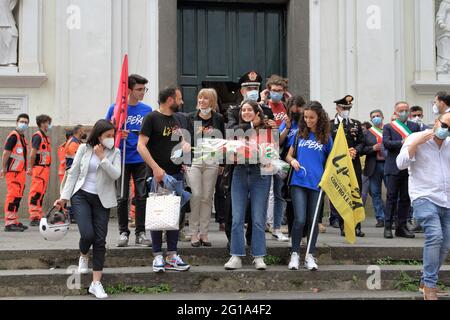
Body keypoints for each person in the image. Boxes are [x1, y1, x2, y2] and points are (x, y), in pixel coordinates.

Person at [55, 119, 121, 299]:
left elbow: (116, 174)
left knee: (100, 241)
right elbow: (73, 173)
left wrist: (102, 158)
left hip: (103, 199)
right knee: (87, 234)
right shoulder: (83, 149)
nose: (111, 138)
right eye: (108, 135)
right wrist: (64, 197)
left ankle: (96, 283)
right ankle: (83, 255)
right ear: (98, 135)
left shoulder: (115, 152)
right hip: (81, 196)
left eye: (113, 135)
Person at [396, 112, 450, 300]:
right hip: (423, 197)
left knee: (445, 244)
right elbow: (401, 164)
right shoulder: (416, 137)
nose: (446, 130)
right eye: (444, 125)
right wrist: (415, 142)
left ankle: (424, 281)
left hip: (447, 200)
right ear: (436, 122)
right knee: (435, 236)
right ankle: (429, 286)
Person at [137, 87, 191, 273]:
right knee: (158, 215)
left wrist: (184, 151)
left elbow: (177, 142)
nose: (181, 102)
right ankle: (158, 256)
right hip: (159, 176)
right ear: (170, 100)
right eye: (179, 98)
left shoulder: (177, 119)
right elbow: (141, 146)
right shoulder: (152, 118)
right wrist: (155, 168)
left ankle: (172, 255)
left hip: (176, 174)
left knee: (174, 216)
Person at [224, 100, 273, 271]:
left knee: (258, 218)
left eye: (249, 110)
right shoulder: (235, 130)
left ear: (257, 112)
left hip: (260, 173)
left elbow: (272, 153)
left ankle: (258, 256)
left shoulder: (267, 130)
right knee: (237, 218)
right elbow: (228, 149)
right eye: (243, 110)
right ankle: (236, 255)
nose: (245, 112)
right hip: (239, 172)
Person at [106, 74, 153, 248]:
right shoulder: (116, 108)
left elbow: (151, 134)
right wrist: (117, 133)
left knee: (141, 196)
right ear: (129, 90)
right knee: (122, 197)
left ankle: (140, 232)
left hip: (140, 158)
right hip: (122, 158)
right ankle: (123, 232)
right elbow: (104, 131)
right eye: (139, 89)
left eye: (144, 89)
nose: (142, 92)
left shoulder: (146, 110)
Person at [285, 101, 333, 271]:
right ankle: (295, 253)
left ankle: (310, 254)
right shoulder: (299, 134)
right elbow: (288, 156)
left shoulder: (326, 137)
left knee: (313, 221)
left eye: (311, 117)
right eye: (305, 117)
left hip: (317, 184)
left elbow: (332, 161)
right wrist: (293, 161)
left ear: (320, 117)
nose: (308, 120)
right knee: (300, 219)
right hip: (298, 181)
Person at [186, 88, 225, 247]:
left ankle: (204, 233)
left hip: (212, 161)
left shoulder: (218, 118)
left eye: (206, 98)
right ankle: (193, 232)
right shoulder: (190, 118)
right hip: (194, 160)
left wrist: (222, 162)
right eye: (200, 98)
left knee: (207, 196)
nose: (202, 101)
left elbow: (223, 140)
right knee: (196, 194)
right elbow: (185, 140)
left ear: (212, 101)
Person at [383, 101, 421, 239]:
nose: (404, 112)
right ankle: (388, 227)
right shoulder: (389, 127)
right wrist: (402, 142)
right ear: (395, 112)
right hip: (393, 167)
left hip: (410, 167)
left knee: (405, 198)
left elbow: (419, 143)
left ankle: (401, 227)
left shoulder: (415, 126)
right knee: (391, 198)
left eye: (406, 110)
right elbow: (386, 143)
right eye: (401, 110)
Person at [329, 95, 365, 237]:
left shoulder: (355, 124)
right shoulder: (331, 125)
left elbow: (362, 142)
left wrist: (356, 150)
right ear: (337, 108)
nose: (346, 110)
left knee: (355, 192)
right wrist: (343, 152)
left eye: (348, 108)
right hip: (338, 165)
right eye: (344, 108)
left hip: (354, 164)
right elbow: (328, 144)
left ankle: (357, 226)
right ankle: (343, 225)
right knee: (341, 193)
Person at [260, 75, 289, 240]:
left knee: (278, 192)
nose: (276, 93)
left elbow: (283, 137)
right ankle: (263, 223)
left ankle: (277, 227)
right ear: (268, 91)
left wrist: (286, 127)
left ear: (284, 92)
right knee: (265, 191)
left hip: (281, 153)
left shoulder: (285, 108)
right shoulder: (263, 107)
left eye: (279, 91)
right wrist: (262, 100)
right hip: (265, 153)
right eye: (273, 90)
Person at [280, 96, 306, 235]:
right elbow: (279, 141)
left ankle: (304, 232)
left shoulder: (307, 121)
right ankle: (292, 231)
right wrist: (287, 127)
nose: (296, 112)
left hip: (305, 159)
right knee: (289, 196)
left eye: (299, 110)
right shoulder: (287, 121)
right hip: (288, 160)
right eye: (293, 110)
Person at [1, 114, 30, 232]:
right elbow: (6, 153)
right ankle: (9, 223)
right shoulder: (14, 136)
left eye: (26, 122)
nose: (24, 124)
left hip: (20, 172)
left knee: (17, 197)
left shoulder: (22, 138)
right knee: (12, 197)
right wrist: (3, 168)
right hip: (13, 172)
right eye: (22, 121)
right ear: (17, 122)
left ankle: (14, 220)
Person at [362, 110, 387, 228]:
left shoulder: (389, 130)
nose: (376, 118)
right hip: (373, 165)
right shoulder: (367, 133)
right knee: (376, 193)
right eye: (373, 117)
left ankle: (391, 217)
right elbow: (362, 150)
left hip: (388, 165)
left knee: (391, 193)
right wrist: (373, 147)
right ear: (371, 119)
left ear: (382, 117)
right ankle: (380, 218)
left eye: (378, 116)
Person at [28, 114, 53, 227]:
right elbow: (33, 153)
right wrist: (30, 167)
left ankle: (38, 214)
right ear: (43, 123)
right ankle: (34, 216)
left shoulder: (44, 137)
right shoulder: (38, 136)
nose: (49, 125)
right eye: (48, 122)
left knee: (41, 193)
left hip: (44, 168)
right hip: (39, 168)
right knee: (36, 193)